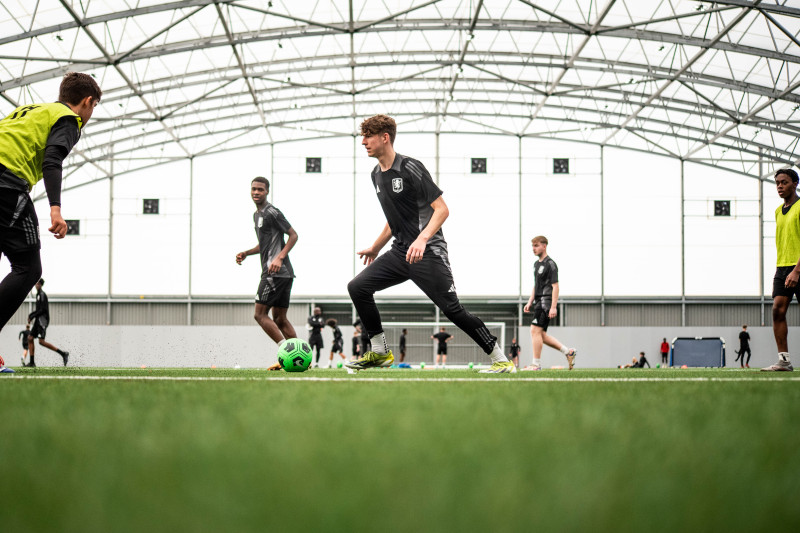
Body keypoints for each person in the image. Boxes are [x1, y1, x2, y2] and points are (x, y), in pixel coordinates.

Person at [345, 114, 515, 373]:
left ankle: (501, 359)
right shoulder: (376, 175)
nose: (363, 142)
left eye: (368, 136)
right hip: (400, 253)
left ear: (385, 137)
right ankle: (379, 352)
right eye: (363, 137)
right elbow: (395, 219)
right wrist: (376, 247)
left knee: (453, 310)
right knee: (358, 287)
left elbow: (442, 209)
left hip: (429, 252)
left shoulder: (410, 167)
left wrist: (422, 239)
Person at [0, 72, 101, 374]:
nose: (91, 114)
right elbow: (52, 159)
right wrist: (55, 209)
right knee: (28, 267)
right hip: (6, 183)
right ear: (87, 101)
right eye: (94, 107)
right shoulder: (69, 119)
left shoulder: (30, 110)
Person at [235, 176, 299, 371]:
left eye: (260, 189)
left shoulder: (272, 212)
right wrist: (246, 253)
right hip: (282, 274)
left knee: (260, 314)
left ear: (267, 192)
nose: (256, 192)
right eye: (253, 189)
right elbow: (264, 244)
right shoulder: (256, 215)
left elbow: (293, 235)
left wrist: (279, 258)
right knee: (280, 319)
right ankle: (301, 358)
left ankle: (287, 354)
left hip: (275, 272)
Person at [521, 236, 577, 371]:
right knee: (541, 335)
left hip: (545, 303)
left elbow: (555, 286)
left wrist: (553, 307)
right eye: (532, 246)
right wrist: (529, 301)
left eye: (536, 245)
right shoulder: (536, 264)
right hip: (538, 302)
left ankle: (536, 364)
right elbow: (536, 285)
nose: (533, 248)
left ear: (544, 246)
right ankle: (568, 352)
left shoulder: (550, 264)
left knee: (534, 330)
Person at [764, 168, 800, 372]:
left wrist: (797, 270)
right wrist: (785, 269)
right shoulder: (778, 211)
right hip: (782, 267)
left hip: (798, 267)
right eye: (777, 183)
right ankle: (784, 361)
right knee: (777, 310)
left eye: (784, 182)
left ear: (795, 184)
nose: (779, 186)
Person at [26, 278, 69, 366]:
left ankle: (63, 354)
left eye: (38, 284)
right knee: (30, 338)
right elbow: (38, 310)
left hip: (42, 321)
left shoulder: (42, 295)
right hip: (38, 320)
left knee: (41, 342)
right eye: (36, 284)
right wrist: (31, 315)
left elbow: (43, 309)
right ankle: (32, 362)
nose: (37, 285)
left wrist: (32, 315)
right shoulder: (38, 295)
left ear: (41, 285)